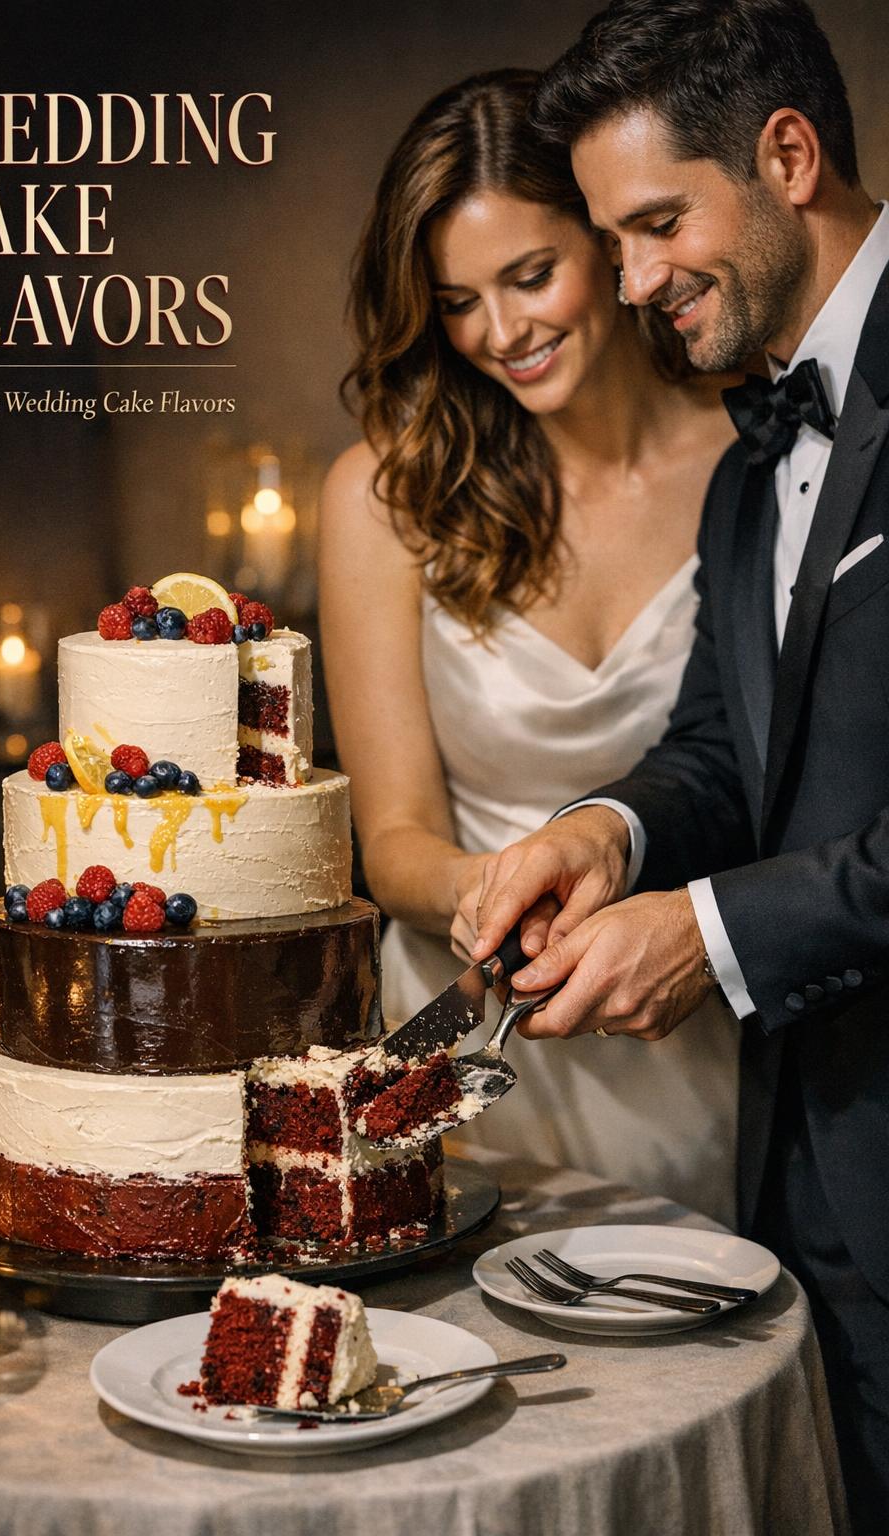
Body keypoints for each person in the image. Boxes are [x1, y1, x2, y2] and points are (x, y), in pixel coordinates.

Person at [469, 2, 889, 1525]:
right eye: (613, 236)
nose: (632, 280)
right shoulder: (750, 450)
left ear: (788, 156)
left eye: (656, 225)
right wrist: (605, 840)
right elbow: (721, 744)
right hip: (797, 1185)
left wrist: (707, 940)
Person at [319, 70, 740, 1222]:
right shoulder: (383, 495)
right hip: (471, 1041)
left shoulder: (751, 458)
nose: (499, 333)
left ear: (607, 245)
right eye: (457, 301)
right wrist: (493, 894)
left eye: (528, 275)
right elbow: (392, 833)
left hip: (691, 1030)